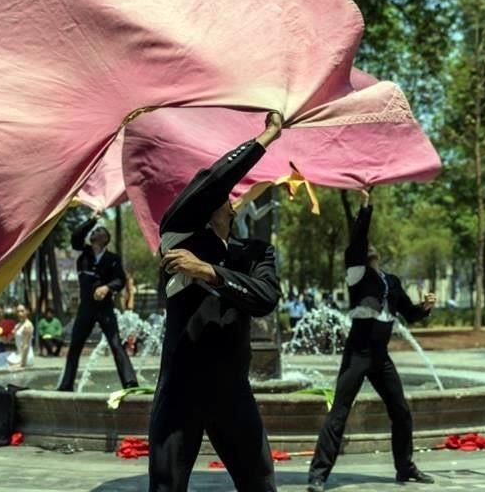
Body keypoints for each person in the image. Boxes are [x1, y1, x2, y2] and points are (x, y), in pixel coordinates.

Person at [148, 112, 283, 492]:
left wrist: (209, 272)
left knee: (261, 485)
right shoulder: (177, 235)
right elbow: (213, 180)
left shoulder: (256, 252)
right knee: (166, 487)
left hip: (231, 388)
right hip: (180, 389)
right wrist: (264, 138)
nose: (225, 198)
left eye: (226, 198)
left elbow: (265, 298)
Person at [306, 188, 437, 491]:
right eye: (366, 245)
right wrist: (366, 207)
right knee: (339, 412)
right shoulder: (356, 273)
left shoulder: (390, 281)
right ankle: (318, 475)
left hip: (381, 357)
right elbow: (358, 240)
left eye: (372, 246)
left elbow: (409, 313)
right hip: (358, 352)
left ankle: (405, 468)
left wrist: (426, 307)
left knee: (401, 411)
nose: (370, 247)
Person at [57, 216, 138, 391]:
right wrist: (92, 220)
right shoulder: (84, 252)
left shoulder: (112, 258)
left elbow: (120, 279)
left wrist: (107, 288)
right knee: (75, 346)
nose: (95, 231)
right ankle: (66, 385)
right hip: (85, 309)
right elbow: (76, 237)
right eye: (95, 230)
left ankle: (130, 383)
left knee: (116, 344)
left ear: (105, 239)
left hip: (106, 309)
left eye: (99, 231)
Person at [9, 304, 36, 369]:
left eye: (22, 311)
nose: (19, 313)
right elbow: (11, 340)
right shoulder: (18, 325)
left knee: (7, 368)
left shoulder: (27, 326)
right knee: (0, 359)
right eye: (18, 311)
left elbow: (26, 345)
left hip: (26, 356)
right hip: (19, 353)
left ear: (27, 311)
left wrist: (22, 363)